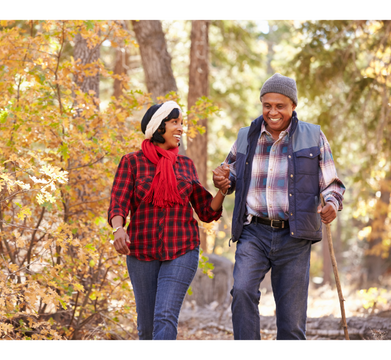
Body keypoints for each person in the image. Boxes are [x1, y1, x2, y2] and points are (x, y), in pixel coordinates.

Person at [213, 73, 346, 343]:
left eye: (280, 106)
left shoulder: (313, 135)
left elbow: (332, 183)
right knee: (242, 291)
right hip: (254, 232)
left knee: (292, 320)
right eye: (267, 105)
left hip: (294, 236)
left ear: (293, 106)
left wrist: (331, 203)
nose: (272, 112)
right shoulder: (245, 136)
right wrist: (223, 178)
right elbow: (232, 175)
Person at [108, 101, 228, 343]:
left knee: (164, 316)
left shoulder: (185, 165)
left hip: (182, 249)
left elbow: (205, 211)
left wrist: (222, 190)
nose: (180, 128)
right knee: (146, 326)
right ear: (158, 127)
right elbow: (118, 202)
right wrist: (119, 229)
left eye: (181, 123)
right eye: (175, 122)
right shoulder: (131, 162)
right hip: (141, 252)